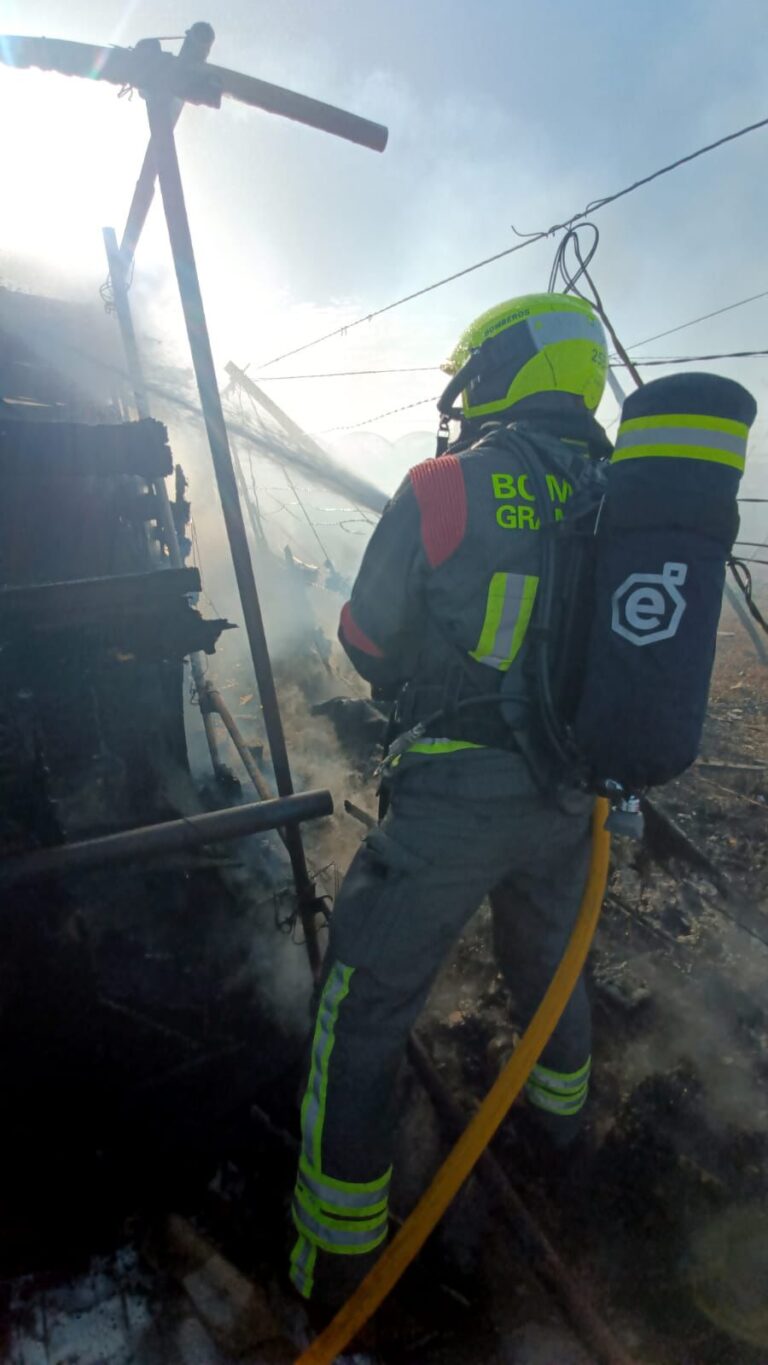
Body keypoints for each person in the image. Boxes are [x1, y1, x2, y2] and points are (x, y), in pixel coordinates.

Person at [289, 292, 613, 1309]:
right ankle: (561, 1140)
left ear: (501, 371)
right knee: (552, 973)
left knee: (360, 1007)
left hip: (453, 803)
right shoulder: (624, 498)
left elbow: (366, 641)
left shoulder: (444, 483)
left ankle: (337, 1257)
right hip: (573, 799)